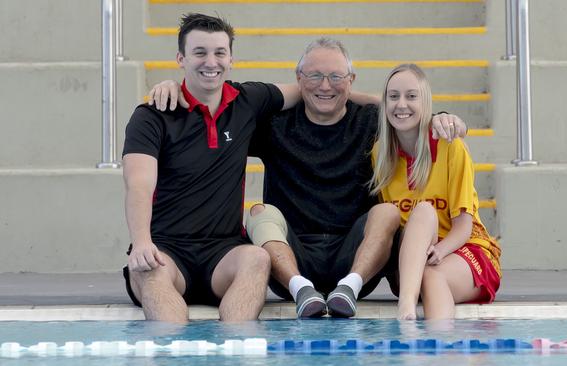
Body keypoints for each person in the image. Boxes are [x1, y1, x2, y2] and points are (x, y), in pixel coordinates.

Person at [150, 38, 467, 319]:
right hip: (292, 261)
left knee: (387, 212)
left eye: (335, 77)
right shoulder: (273, 124)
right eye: (314, 76)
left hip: (357, 260)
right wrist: (177, 88)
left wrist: (440, 117)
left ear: (351, 81)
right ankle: (303, 291)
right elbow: (215, 110)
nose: (325, 86)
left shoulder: (371, 122)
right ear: (298, 79)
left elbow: (406, 109)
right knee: (260, 212)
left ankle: (348, 290)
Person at [122, 13, 301, 323]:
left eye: (220, 52)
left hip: (224, 252)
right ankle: (174, 352)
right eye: (200, 53)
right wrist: (141, 243)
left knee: (258, 258)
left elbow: (312, 89)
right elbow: (138, 184)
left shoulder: (247, 101)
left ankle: (234, 350)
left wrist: (377, 101)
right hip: (167, 250)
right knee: (150, 268)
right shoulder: (152, 116)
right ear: (181, 58)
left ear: (230, 58)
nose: (211, 62)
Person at [369, 64, 501, 320]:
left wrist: (440, 252)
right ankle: (411, 317)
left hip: (465, 249)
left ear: (426, 101)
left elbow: (463, 226)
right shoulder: (380, 155)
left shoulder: (451, 146)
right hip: (415, 259)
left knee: (431, 272)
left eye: (411, 96)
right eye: (393, 96)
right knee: (422, 215)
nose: (401, 104)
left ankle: (425, 336)